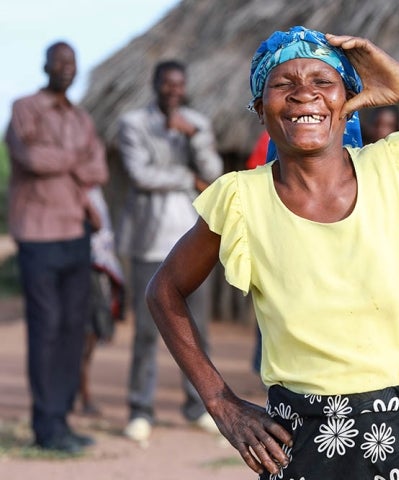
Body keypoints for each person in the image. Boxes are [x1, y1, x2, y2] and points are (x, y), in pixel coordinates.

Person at [146, 26, 399, 478]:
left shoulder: (396, 167)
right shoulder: (240, 199)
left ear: (348, 100)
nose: (304, 95)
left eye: (322, 82)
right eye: (283, 84)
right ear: (260, 108)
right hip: (301, 442)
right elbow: (164, 291)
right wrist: (220, 401)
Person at [4, 41, 108, 453]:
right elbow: (30, 157)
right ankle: (45, 426)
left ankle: (61, 420)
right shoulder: (23, 108)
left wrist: (64, 160)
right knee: (45, 328)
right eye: (59, 62)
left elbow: (98, 168)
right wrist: (73, 160)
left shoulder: (82, 118)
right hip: (37, 233)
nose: (66, 68)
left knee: (70, 330)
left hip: (76, 233)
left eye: (72, 63)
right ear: (45, 65)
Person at [116, 59, 223, 442]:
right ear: (155, 84)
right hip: (149, 240)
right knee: (147, 332)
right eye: (166, 84)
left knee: (199, 331)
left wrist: (193, 138)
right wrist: (185, 177)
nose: (173, 91)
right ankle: (139, 409)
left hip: (195, 242)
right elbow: (140, 174)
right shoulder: (133, 124)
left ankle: (199, 405)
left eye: (179, 84)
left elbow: (213, 175)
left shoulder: (197, 123)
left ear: (185, 86)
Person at [77, 186, 125, 416]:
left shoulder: (93, 189)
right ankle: (79, 395)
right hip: (78, 268)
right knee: (81, 336)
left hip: (96, 268)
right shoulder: (78, 188)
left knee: (90, 336)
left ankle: (79, 393)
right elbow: (96, 224)